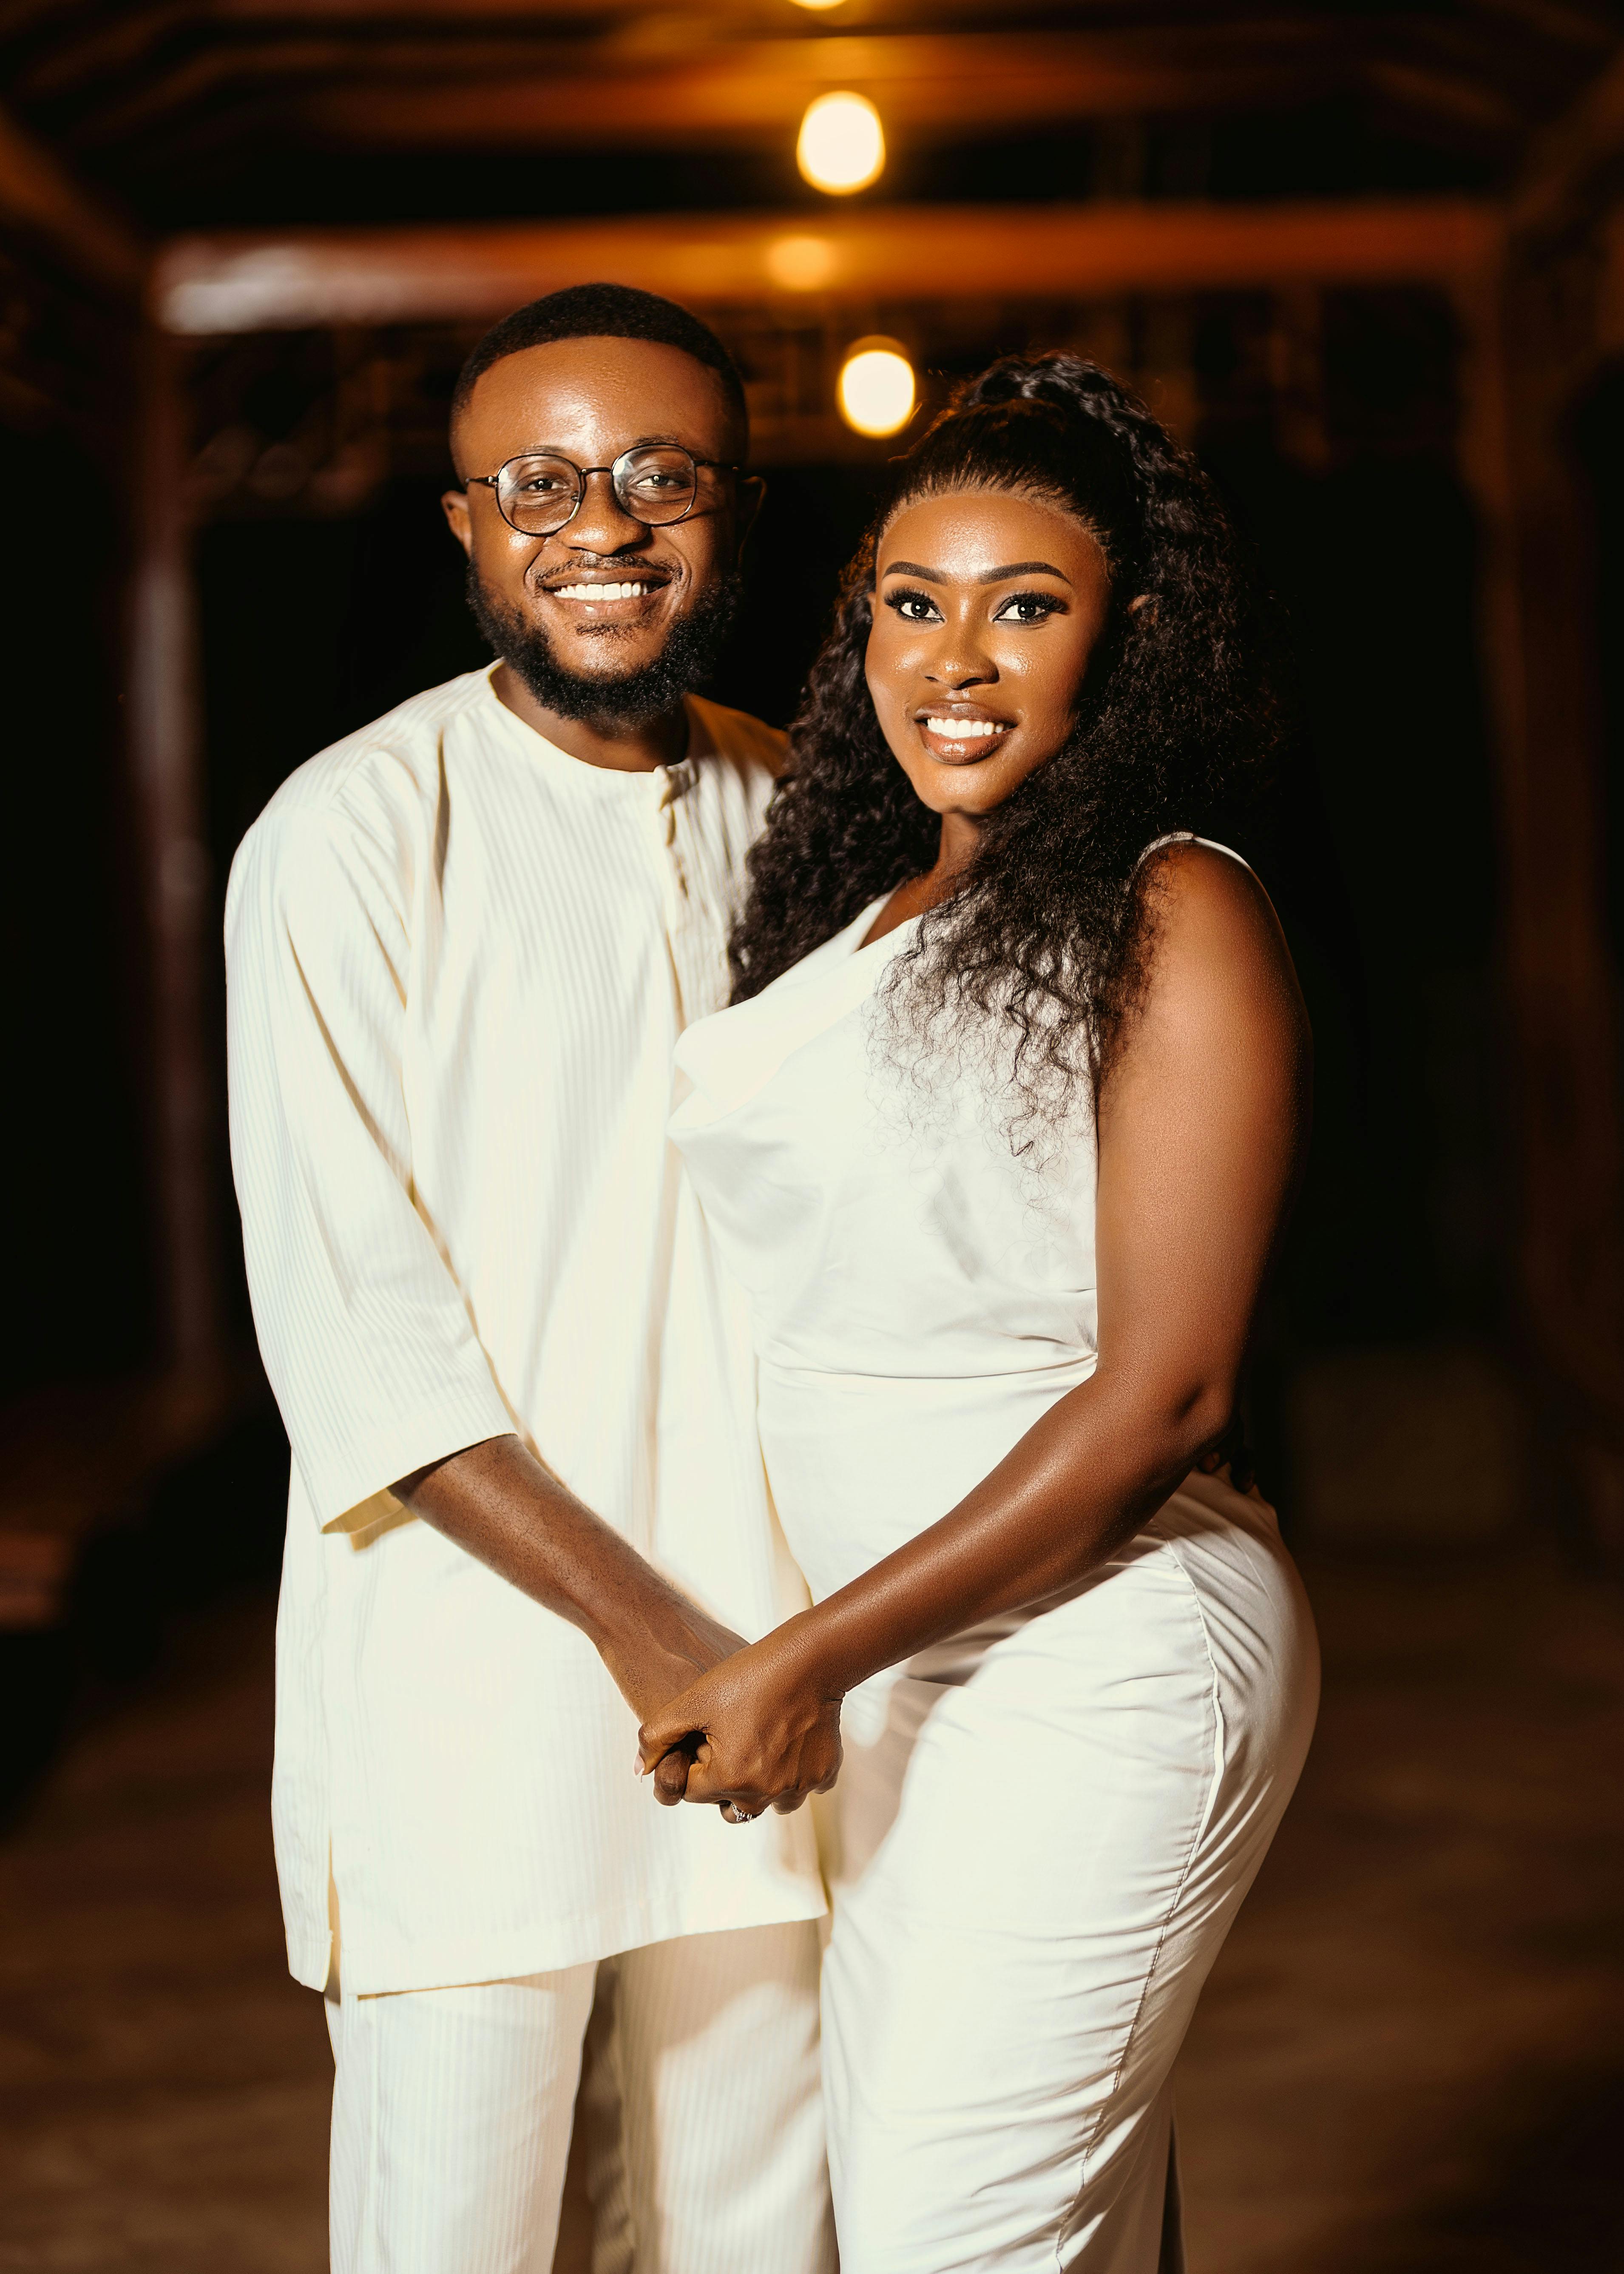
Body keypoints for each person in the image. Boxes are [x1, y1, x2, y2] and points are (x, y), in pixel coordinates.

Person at [640, 354, 1321, 2271]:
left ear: (1126, 643)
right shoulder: (857, 923)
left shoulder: (1172, 906)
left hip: (1097, 1647)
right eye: (910, 604)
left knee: (965, 2234)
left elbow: (1166, 1394)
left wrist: (798, 1658)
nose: (954, 655)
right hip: (913, 1672)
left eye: (1026, 605)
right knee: (1012, 2228)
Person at [225, 284, 834, 2274]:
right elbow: (360, 1331)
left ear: (733, 515)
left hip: (773, 1673)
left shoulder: (812, 813)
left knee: (757, 2229)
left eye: (662, 476)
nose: (605, 523)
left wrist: (779, 1650)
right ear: (468, 527)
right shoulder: (345, 834)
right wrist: (661, 1635)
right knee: (451, 2236)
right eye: (542, 481)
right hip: (475, 1687)